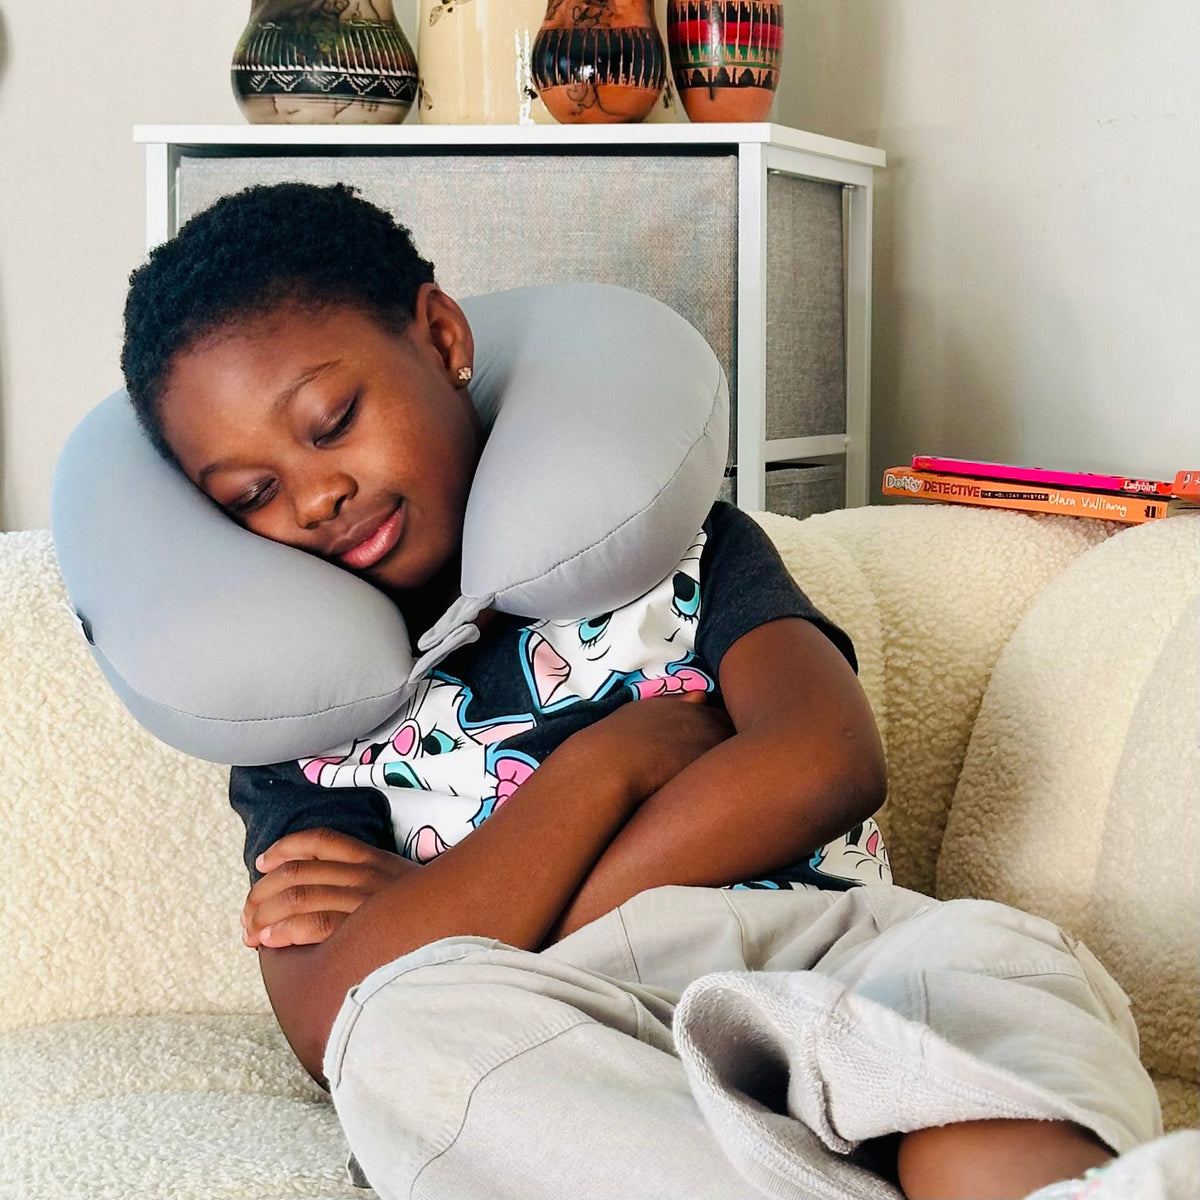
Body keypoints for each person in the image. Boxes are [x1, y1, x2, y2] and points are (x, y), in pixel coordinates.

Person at [119, 182, 1158, 1200]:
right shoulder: (299, 716)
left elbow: (824, 762)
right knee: (404, 1046)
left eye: (333, 419)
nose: (316, 496)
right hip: (571, 1041)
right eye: (251, 495)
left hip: (835, 955)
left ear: (439, 336)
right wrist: (608, 766)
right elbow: (328, 1017)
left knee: (987, 969)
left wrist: (465, 903)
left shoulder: (673, 548)